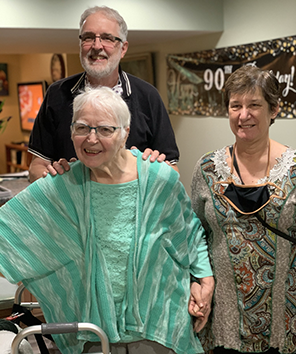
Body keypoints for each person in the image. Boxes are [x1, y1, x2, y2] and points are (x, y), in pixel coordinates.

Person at [0, 86, 214, 354]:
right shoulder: (61, 186)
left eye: (104, 129)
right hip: (93, 335)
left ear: (125, 132)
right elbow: (7, 233)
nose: (91, 139)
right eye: (82, 128)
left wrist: (205, 279)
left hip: (160, 329)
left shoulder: (160, 179)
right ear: (71, 132)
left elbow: (190, 234)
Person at [191, 65, 296, 354]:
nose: (243, 115)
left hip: (286, 322)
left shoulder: (294, 171)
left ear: (274, 110)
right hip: (225, 322)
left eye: (254, 105)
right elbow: (193, 236)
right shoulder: (208, 169)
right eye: (235, 105)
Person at [28, 5, 179, 182]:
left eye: (107, 38)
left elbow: (173, 170)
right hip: (71, 206)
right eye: (88, 37)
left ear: (123, 48)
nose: (96, 46)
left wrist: (156, 168)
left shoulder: (148, 97)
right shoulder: (57, 94)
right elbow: (36, 167)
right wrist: (53, 179)